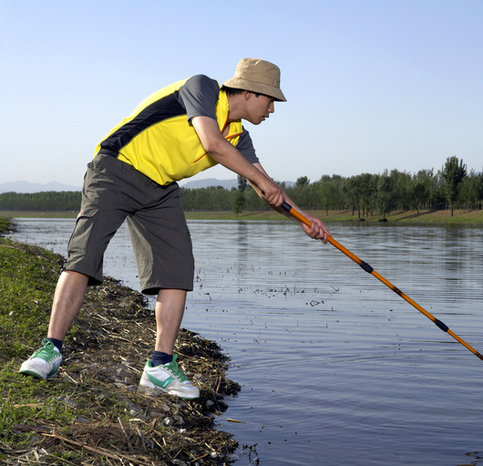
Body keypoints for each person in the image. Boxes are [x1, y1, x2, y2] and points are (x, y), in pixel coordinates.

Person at [19, 58, 330, 399]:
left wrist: (306, 220)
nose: (272, 109)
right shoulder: (203, 88)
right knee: (85, 255)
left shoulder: (240, 137)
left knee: (177, 268)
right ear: (249, 92)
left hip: (160, 188)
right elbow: (212, 143)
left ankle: (159, 366)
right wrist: (258, 179)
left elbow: (268, 188)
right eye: (270, 99)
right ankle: (49, 350)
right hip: (116, 167)